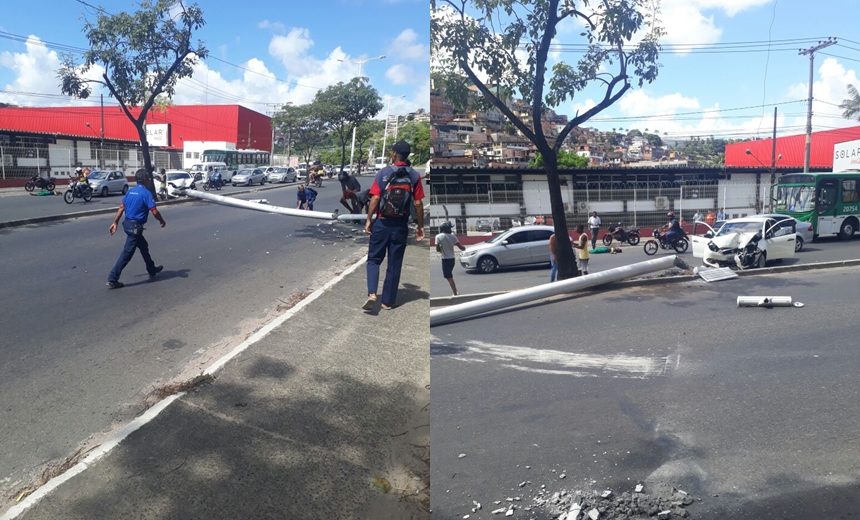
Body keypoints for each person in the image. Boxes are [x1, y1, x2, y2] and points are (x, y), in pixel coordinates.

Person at [363, 140, 425, 311]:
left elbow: (375, 198)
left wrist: (369, 219)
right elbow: (418, 204)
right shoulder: (414, 176)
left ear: (394, 154)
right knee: (394, 263)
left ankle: (372, 294)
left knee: (374, 259)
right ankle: (388, 302)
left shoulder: (383, 173)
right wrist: (420, 226)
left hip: (382, 223)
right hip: (400, 225)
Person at [106, 170, 165, 289]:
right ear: (145, 179)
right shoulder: (146, 193)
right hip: (135, 228)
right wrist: (161, 221)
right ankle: (112, 278)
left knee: (143, 246)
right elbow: (154, 211)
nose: (149, 180)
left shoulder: (130, 191)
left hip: (127, 224)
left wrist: (115, 222)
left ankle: (151, 268)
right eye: (148, 178)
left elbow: (121, 208)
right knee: (127, 253)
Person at [435, 222, 465, 296]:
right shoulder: (453, 236)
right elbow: (461, 247)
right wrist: (464, 248)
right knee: (449, 276)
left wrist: (441, 246)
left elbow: (438, 250)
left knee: (449, 277)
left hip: (445, 259)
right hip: (452, 259)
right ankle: (455, 292)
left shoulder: (438, 237)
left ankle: (455, 293)